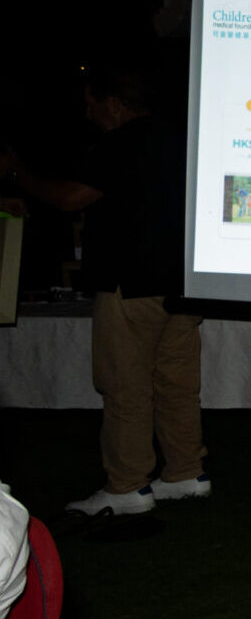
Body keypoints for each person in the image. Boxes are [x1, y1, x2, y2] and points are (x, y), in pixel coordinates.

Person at [1, 70, 210, 516]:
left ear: (114, 102)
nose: (89, 114)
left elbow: (72, 198)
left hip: (130, 284)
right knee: (176, 383)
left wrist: (16, 174)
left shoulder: (122, 142)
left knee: (125, 386)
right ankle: (185, 472)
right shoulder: (180, 137)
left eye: (91, 104)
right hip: (182, 286)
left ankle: (127, 485)